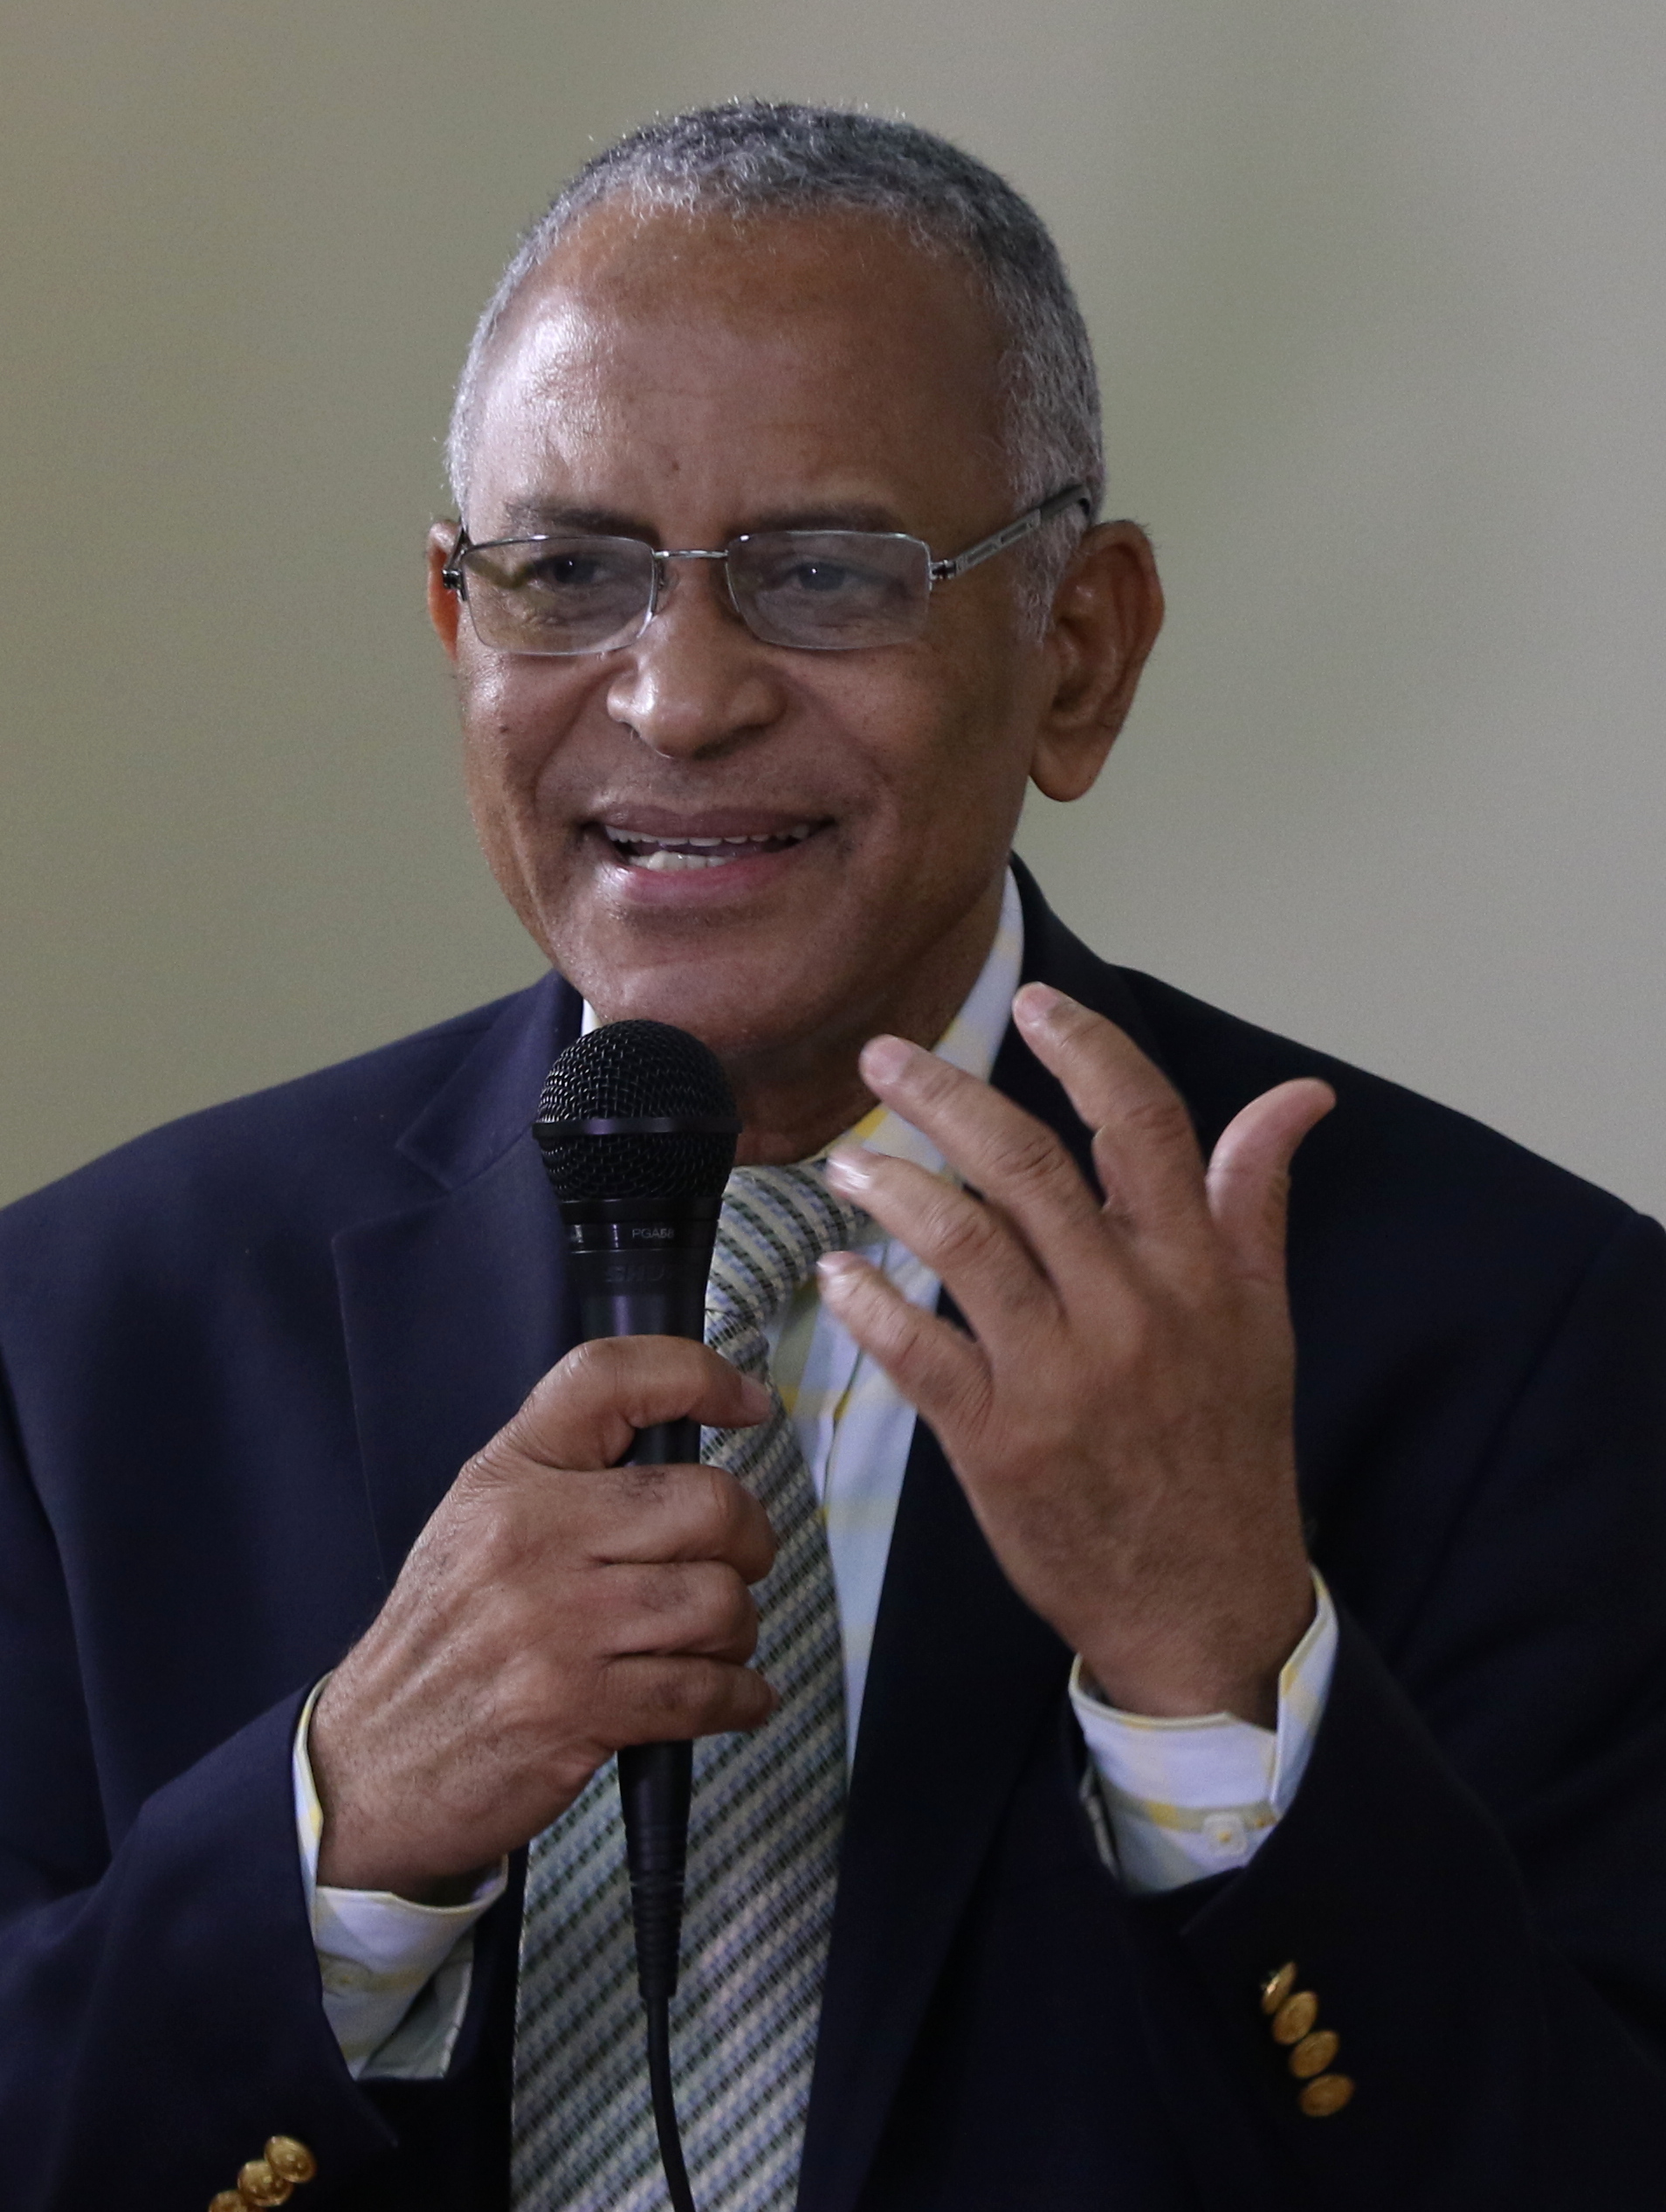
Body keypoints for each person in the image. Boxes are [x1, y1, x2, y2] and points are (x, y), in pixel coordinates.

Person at [2, 100, 1663, 2212]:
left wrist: (1218, 1685)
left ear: (1079, 649)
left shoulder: (1529, 1338)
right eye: (568, 574)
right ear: (455, 624)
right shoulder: (83, 1332)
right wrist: (335, 1835)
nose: (678, 697)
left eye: (824, 575)